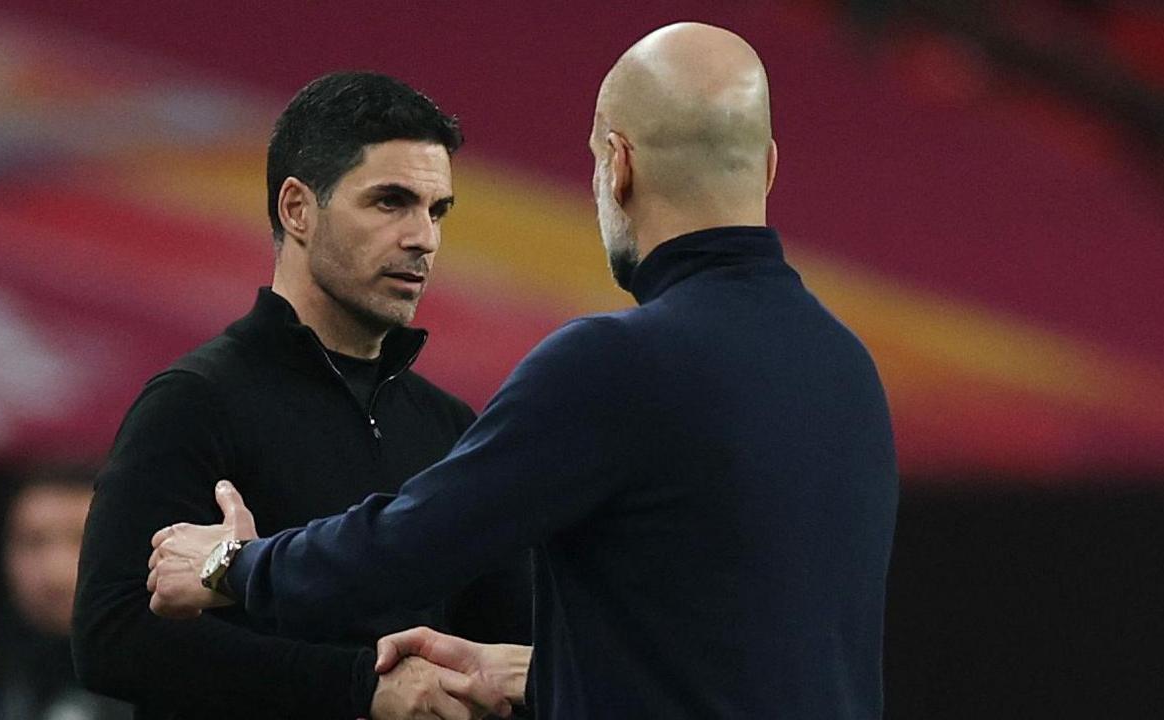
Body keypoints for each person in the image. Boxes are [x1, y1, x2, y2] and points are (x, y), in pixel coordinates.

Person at [150, 22, 899, 719]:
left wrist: (235, 566)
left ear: (619, 163)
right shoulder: (847, 367)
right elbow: (746, 653)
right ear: (767, 167)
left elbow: (404, 553)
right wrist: (541, 673)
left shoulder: (618, 365)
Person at [73, 71, 530, 720]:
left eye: (436, 210)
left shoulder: (452, 428)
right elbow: (113, 637)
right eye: (390, 201)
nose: (423, 237)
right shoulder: (196, 401)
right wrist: (361, 688)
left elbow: (511, 642)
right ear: (297, 209)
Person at [0, 465, 132, 720]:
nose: (54, 571)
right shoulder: (9, 680)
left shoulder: (178, 679)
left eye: (80, 539)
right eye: (33, 542)